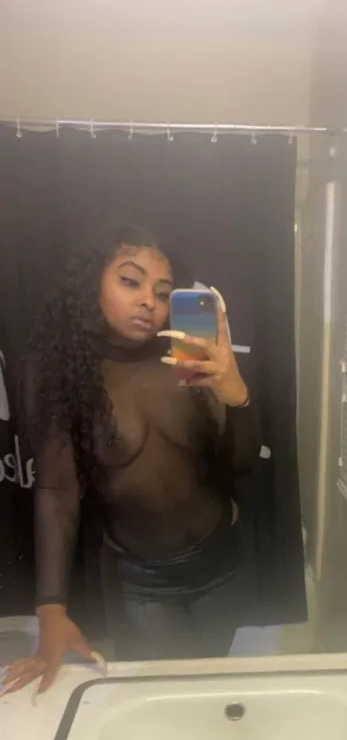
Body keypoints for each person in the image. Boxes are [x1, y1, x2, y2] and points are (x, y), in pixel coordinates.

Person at [2, 222, 261, 696]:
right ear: (92, 283)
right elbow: (58, 492)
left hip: (223, 562)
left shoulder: (186, 355)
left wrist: (237, 397)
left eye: (162, 292)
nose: (149, 302)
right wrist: (51, 608)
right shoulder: (59, 371)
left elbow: (240, 464)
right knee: (167, 702)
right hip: (143, 584)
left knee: (212, 691)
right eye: (130, 281)